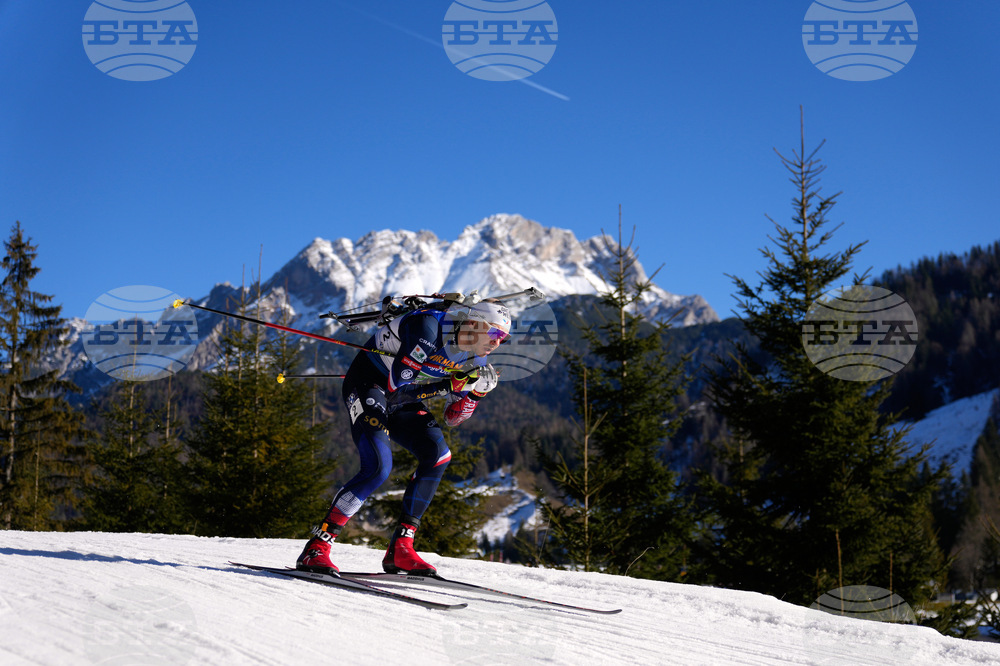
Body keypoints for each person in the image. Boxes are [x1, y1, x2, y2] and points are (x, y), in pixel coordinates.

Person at [296, 298, 510, 575]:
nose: (496, 343)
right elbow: (395, 386)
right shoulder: (428, 328)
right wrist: (449, 384)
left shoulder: (476, 359)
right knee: (377, 468)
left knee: (438, 456)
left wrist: (476, 394)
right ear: (472, 323)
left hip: (403, 397)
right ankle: (318, 546)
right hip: (371, 384)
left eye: (503, 339)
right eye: (493, 333)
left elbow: (453, 418)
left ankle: (401, 549)